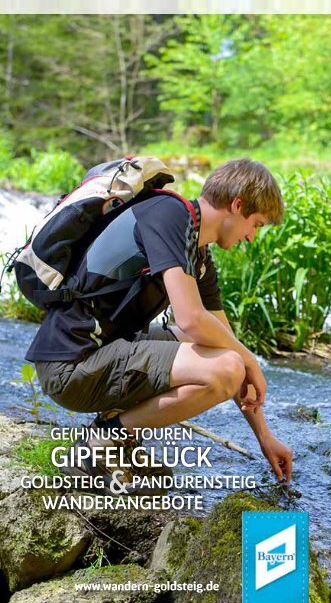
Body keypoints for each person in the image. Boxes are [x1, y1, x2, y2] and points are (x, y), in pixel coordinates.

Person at [25, 158, 292, 487]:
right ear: (237, 205)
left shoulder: (198, 254)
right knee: (227, 368)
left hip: (101, 355)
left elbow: (224, 339)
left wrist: (265, 437)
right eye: (257, 224)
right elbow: (193, 321)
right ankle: (101, 443)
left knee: (224, 356)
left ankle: (115, 433)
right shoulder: (168, 214)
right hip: (71, 366)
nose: (252, 237)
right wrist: (250, 361)